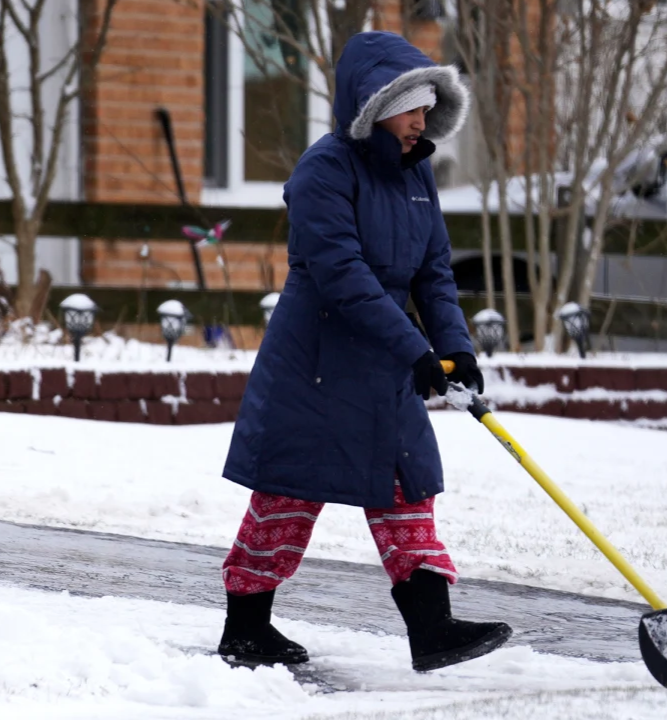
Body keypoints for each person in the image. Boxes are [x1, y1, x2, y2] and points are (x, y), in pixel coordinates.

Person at [216, 31, 508, 673]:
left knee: (407, 486)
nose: (420, 123)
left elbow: (433, 271)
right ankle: (246, 629)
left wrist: (454, 348)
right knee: (287, 493)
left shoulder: (416, 173)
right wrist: (414, 350)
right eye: (411, 109)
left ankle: (432, 628)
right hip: (315, 362)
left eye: (428, 110)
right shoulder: (323, 170)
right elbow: (343, 274)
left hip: (382, 360)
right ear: (376, 107)